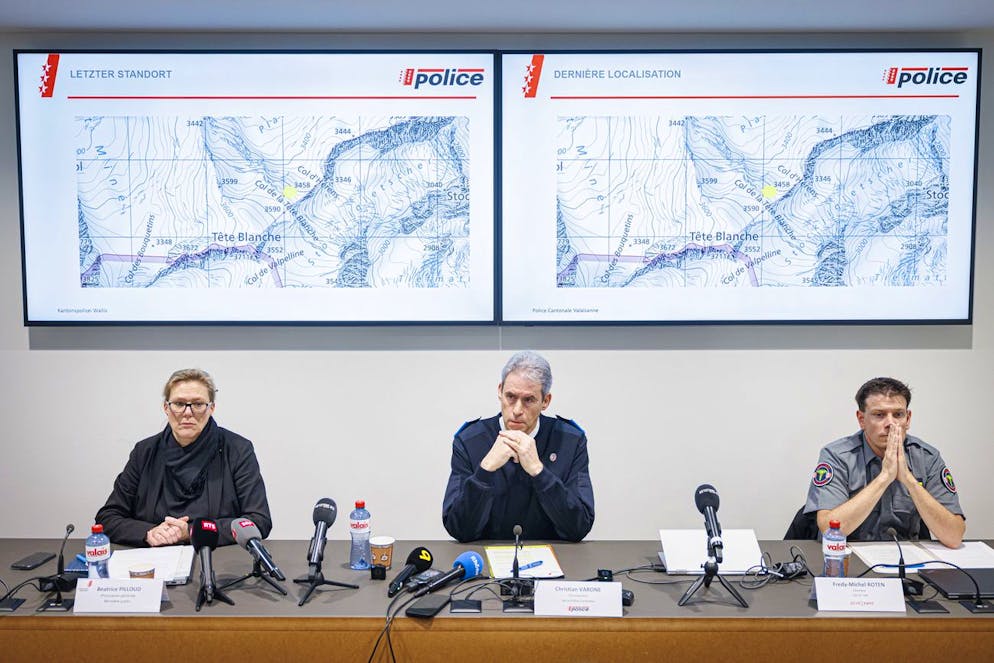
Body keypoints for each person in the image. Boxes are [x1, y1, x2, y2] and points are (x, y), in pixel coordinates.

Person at [96, 369, 272, 547]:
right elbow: (107, 518)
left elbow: (258, 520)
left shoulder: (238, 450)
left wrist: (191, 531)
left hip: (218, 562)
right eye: (179, 404)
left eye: (198, 404)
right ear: (166, 407)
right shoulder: (145, 452)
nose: (188, 413)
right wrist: (149, 533)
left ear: (211, 408)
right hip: (154, 561)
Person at [442, 351, 594, 542]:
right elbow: (459, 529)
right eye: (510, 397)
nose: (517, 410)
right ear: (500, 391)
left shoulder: (570, 441)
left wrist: (540, 472)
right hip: (485, 559)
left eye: (529, 400)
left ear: (545, 401)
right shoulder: (469, 441)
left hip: (555, 559)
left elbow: (579, 527)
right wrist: (486, 469)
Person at [803, 377, 964, 547]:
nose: (890, 423)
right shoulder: (837, 456)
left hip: (907, 560)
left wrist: (909, 480)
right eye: (879, 415)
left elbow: (954, 537)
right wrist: (885, 477)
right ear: (861, 419)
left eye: (898, 415)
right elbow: (829, 529)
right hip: (848, 559)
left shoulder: (927, 458)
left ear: (908, 419)